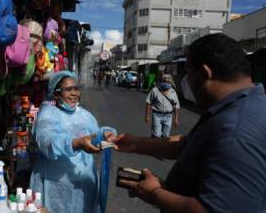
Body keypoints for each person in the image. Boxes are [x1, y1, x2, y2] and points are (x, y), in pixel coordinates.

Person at [109, 33, 266, 213]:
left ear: (206, 73)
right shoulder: (241, 106)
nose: (186, 81)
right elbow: (189, 144)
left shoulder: (235, 133)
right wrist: (136, 143)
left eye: (189, 73)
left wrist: (154, 193)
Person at [30, 71, 115, 213]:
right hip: (57, 186)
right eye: (68, 89)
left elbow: (96, 133)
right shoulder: (48, 114)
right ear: (56, 94)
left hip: (84, 185)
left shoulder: (85, 115)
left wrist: (106, 134)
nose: (74, 93)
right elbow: (47, 141)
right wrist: (76, 143)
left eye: (76, 88)